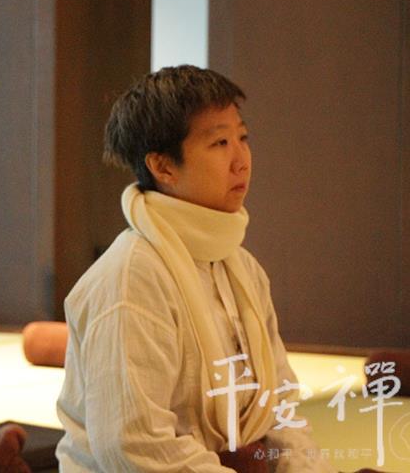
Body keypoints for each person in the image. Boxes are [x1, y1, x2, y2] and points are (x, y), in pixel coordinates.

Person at [55, 65, 333, 472]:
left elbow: (280, 408)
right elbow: (135, 446)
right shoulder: (133, 277)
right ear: (163, 167)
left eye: (243, 138)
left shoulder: (242, 268)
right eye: (220, 143)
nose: (241, 161)